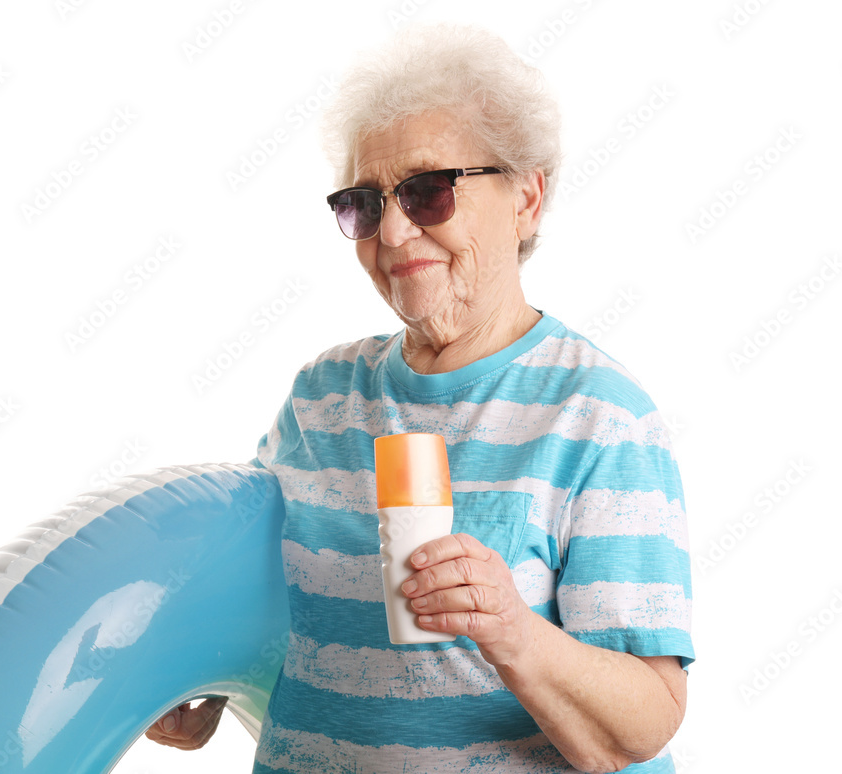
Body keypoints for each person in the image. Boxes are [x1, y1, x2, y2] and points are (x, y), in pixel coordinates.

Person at [147, 23, 694, 773]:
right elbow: (253, 603)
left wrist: (514, 632)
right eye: (365, 205)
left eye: (428, 191)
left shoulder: (601, 417)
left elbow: (646, 721)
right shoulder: (321, 397)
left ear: (527, 198)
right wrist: (192, 682)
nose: (395, 231)